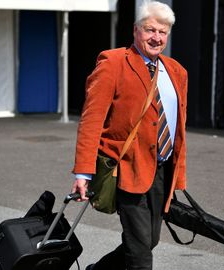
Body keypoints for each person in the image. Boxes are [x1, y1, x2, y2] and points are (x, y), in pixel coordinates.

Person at [71, 1, 188, 269]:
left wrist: (178, 175)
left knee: (149, 241)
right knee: (140, 252)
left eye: (162, 32)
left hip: (161, 171)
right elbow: (91, 120)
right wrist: (83, 172)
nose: (156, 38)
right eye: (150, 30)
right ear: (136, 30)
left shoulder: (177, 72)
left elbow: (178, 129)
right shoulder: (113, 62)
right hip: (127, 168)